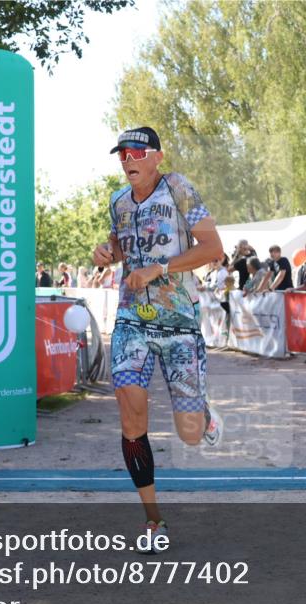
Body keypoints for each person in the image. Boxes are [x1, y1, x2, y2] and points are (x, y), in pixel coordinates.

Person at [92, 126, 225, 550]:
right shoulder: (117, 201)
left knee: (188, 433)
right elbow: (121, 241)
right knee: (130, 412)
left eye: (135, 152)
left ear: (157, 157)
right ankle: (154, 521)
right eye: (121, 154)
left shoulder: (179, 189)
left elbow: (213, 249)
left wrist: (159, 268)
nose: (127, 160)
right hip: (132, 319)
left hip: (180, 322)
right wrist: (108, 251)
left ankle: (202, 415)